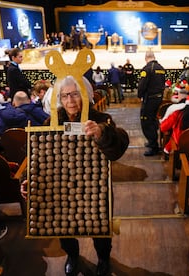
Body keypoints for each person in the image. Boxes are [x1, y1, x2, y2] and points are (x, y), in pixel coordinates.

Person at [22, 75, 129, 276]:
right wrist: (27, 179)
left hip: (96, 188)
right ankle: (72, 255)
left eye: (75, 94)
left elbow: (119, 147)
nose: (70, 101)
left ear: (85, 94)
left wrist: (101, 133)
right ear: (59, 99)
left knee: (100, 228)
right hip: (60, 187)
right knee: (63, 226)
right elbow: (37, 156)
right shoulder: (51, 121)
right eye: (64, 96)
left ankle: (103, 258)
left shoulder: (100, 119)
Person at [137, 51, 166, 156]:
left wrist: (139, 96)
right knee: (153, 120)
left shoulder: (147, 69)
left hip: (149, 99)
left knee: (146, 122)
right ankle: (152, 142)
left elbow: (142, 85)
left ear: (146, 58)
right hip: (159, 98)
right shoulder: (161, 68)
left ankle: (154, 147)